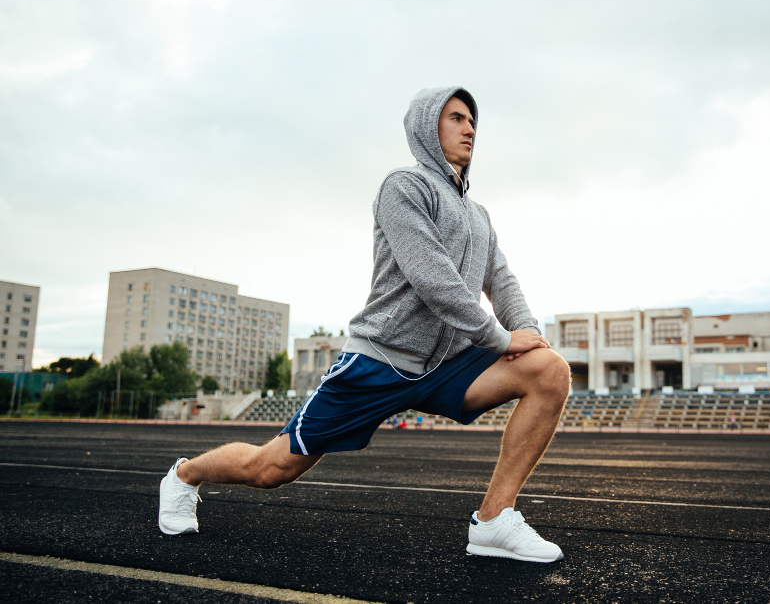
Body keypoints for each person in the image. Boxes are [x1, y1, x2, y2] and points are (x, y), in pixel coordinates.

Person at [158, 86, 570, 563]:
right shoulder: (404, 187)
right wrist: (499, 338)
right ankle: (185, 475)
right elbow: (431, 277)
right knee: (270, 469)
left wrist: (528, 335)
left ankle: (495, 521)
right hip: (380, 361)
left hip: (446, 365)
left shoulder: (479, 215)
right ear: (426, 127)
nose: (470, 128)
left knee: (549, 370)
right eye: (456, 118)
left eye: (473, 120)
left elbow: (500, 279)